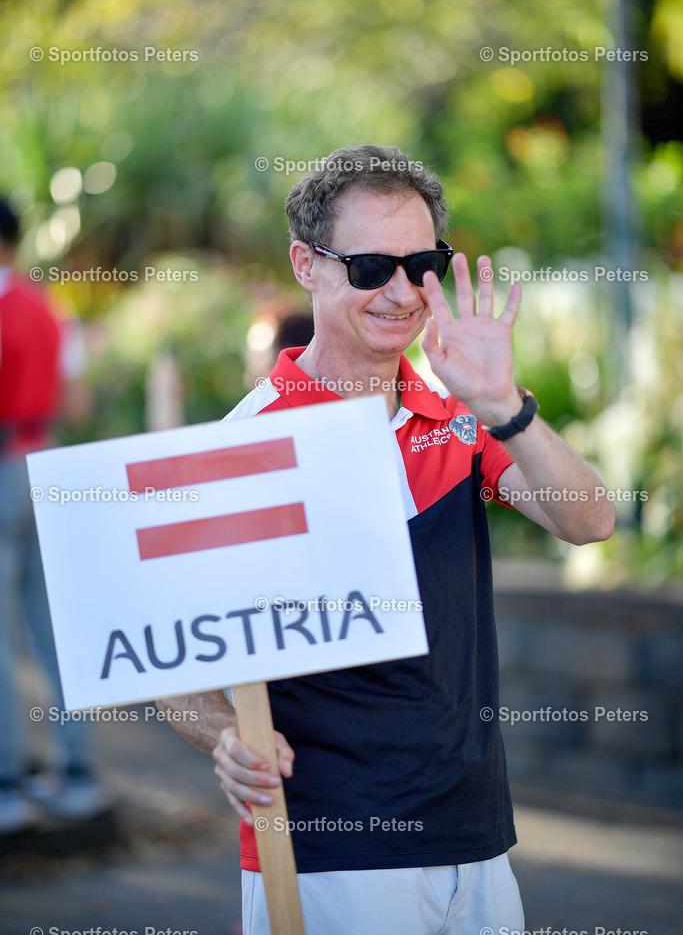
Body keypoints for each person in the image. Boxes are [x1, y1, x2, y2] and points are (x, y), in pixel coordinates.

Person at [157, 146, 615, 935]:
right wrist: (226, 735)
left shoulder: (461, 416)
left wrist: (504, 403)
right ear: (307, 264)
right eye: (369, 265)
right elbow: (169, 655)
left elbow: (587, 522)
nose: (400, 292)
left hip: (473, 836)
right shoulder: (245, 444)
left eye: (421, 264)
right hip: (326, 848)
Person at [0, 196, 107, 836]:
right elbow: (79, 402)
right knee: (55, 627)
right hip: (50, 464)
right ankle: (77, 774)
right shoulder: (49, 307)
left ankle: (7, 784)